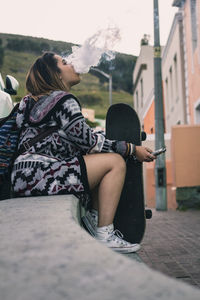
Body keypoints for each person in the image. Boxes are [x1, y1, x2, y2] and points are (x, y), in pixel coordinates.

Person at [11, 52, 155, 254]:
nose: (72, 64)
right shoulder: (64, 100)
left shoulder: (26, 104)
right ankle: (104, 232)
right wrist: (131, 149)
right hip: (42, 175)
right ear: (56, 74)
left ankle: (93, 219)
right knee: (114, 162)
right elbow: (89, 142)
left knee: (97, 159)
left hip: (21, 177)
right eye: (64, 62)